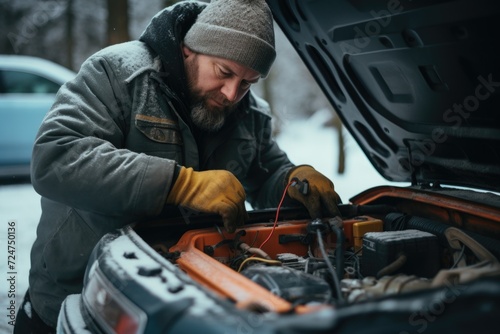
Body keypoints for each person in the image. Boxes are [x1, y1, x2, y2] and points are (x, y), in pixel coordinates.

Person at [14, 0, 341, 332]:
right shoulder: (116, 74)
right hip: (82, 297)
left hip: (187, 303)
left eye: (247, 82)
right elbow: (56, 157)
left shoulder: (250, 115)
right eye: (224, 72)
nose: (232, 94)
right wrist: (180, 184)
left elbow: (267, 174)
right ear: (189, 50)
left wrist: (293, 181)